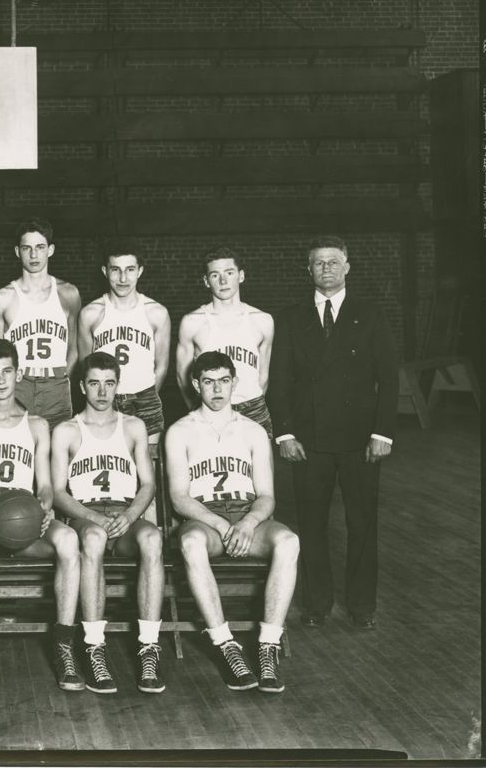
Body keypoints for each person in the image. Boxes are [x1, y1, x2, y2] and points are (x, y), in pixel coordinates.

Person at [269, 236, 398, 630]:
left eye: (333, 261)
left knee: (362, 524)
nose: (326, 268)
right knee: (311, 524)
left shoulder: (370, 313)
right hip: (308, 442)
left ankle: (362, 606)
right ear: (308, 270)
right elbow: (279, 381)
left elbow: (389, 379)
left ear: (347, 267)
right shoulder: (291, 317)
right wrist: (285, 434)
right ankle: (317, 604)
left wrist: (383, 433)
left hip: (360, 441)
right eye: (318, 263)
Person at [0, 339, 84, 696]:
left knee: (70, 541)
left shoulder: (37, 425)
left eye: (7, 371)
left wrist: (43, 509)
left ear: (19, 374)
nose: (0, 380)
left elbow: (45, 485)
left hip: (27, 517)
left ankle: (64, 644)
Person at [166, 351, 299, 693]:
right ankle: (225, 644)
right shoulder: (179, 431)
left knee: (289, 542)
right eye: (208, 382)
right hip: (205, 517)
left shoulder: (254, 431)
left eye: (224, 380)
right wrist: (222, 526)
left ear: (235, 383)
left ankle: (268, 646)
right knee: (191, 543)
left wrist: (247, 523)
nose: (217, 390)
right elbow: (180, 498)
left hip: (247, 515)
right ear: (196, 385)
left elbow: (267, 496)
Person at [51, 352, 165, 694]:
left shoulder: (133, 426)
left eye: (109, 383)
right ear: (82, 386)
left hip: (126, 514)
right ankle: (94, 645)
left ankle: (148, 647)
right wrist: (95, 517)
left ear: (118, 386)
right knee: (95, 539)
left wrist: (130, 515)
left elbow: (147, 484)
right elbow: (57, 491)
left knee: (152, 541)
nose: (102, 391)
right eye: (95, 383)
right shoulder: (67, 430)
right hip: (86, 515)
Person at [0, 218, 82, 430]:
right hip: (18, 384)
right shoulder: (1, 298)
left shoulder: (69, 293)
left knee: (57, 454)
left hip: (56, 384)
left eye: (40, 247)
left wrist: (61, 377)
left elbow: (74, 348)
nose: (33, 255)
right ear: (17, 251)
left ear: (50, 250)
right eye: (26, 248)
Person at [78, 240, 171, 449]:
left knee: (149, 466)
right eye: (115, 270)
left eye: (130, 270)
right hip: (105, 399)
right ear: (105, 271)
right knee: (109, 462)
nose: (122, 278)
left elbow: (162, 364)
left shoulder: (156, 313)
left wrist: (146, 394)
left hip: (145, 397)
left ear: (140, 271)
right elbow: (85, 366)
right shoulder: (90, 314)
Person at [175, 249, 275, 437]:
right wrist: (198, 409)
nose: (223, 281)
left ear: (241, 276)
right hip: (210, 408)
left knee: (260, 466)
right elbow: (182, 377)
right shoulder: (192, 322)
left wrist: (249, 401)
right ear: (206, 281)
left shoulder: (262, 320)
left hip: (253, 409)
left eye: (229, 273)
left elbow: (263, 376)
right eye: (215, 275)